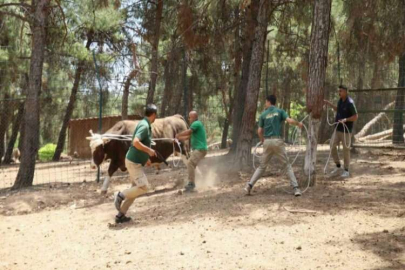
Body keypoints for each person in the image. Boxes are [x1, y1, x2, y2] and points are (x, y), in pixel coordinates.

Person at [244, 95, 303, 197]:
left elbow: (259, 131)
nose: (265, 104)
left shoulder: (263, 114)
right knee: (287, 166)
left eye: (265, 102)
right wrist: (298, 124)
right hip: (277, 141)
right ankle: (296, 189)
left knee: (262, 167)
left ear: (268, 102)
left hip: (267, 142)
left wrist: (263, 141)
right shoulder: (280, 111)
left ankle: (249, 185)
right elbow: (289, 121)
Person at [113, 104, 157, 223]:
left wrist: (145, 158)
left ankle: (121, 215)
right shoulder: (144, 125)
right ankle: (120, 195)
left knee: (135, 189)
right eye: (156, 115)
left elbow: (140, 144)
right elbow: (136, 142)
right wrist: (149, 151)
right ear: (153, 115)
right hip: (133, 163)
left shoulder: (144, 124)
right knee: (143, 187)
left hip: (134, 161)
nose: (156, 118)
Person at [324, 85, 358, 178]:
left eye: (341, 91)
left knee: (346, 150)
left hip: (346, 131)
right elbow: (337, 109)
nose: (339, 93)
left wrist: (346, 120)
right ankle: (338, 165)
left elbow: (355, 116)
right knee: (331, 145)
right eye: (339, 91)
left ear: (346, 92)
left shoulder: (350, 103)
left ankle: (346, 170)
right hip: (337, 128)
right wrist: (329, 104)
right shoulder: (340, 101)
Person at [175, 111, 208, 192]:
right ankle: (195, 181)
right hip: (200, 149)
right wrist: (178, 139)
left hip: (200, 149)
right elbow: (188, 137)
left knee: (190, 163)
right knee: (192, 164)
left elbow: (188, 132)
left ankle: (191, 184)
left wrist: (178, 135)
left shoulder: (196, 124)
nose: (188, 119)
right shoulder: (196, 125)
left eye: (189, 117)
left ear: (193, 117)